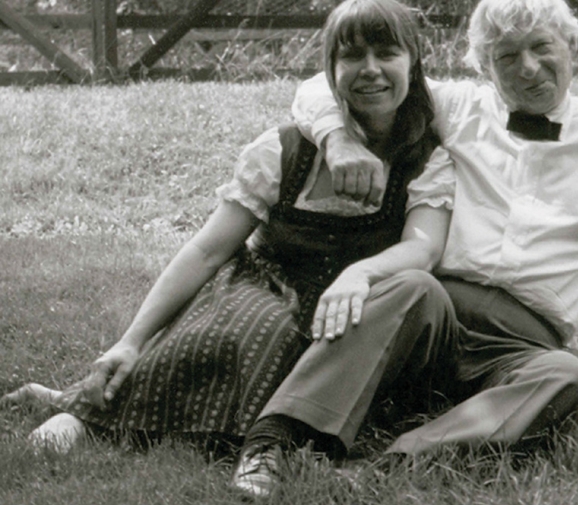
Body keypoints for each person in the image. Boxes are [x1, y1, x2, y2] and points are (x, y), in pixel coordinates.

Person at [2, 0, 456, 474]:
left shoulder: (427, 160)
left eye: (387, 53)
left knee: (319, 344)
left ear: (414, 60)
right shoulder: (285, 149)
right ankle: (84, 413)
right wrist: (132, 339)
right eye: (351, 56)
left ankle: (105, 410)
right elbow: (206, 250)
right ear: (329, 67)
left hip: (356, 301)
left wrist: (359, 275)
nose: (370, 70)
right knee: (247, 331)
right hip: (269, 285)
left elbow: (423, 246)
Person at [239, 0, 578, 493]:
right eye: (506, 57)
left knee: (567, 374)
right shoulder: (458, 107)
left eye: (542, 47)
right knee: (410, 285)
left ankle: (389, 466)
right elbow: (321, 86)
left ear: (572, 44)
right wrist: (339, 140)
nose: (527, 67)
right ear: (484, 67)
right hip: (435, 312)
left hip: (523, 343)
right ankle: (273, 444)